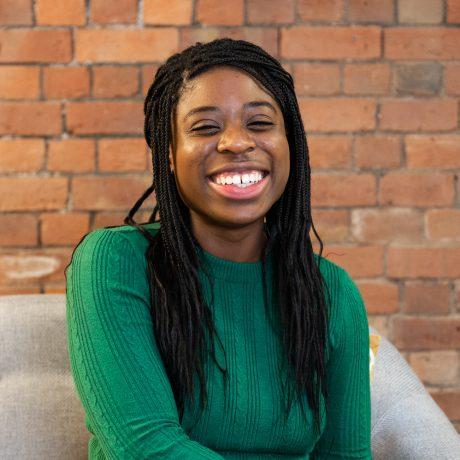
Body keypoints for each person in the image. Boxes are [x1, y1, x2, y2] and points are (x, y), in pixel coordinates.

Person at [65, 38, 372, 459]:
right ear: (168, 154)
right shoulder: (114, 264)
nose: (236, 142)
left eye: (260, 124)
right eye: (206, 128)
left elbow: (346, 455)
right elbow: (146, 447)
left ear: (290, 144)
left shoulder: (331, 292)